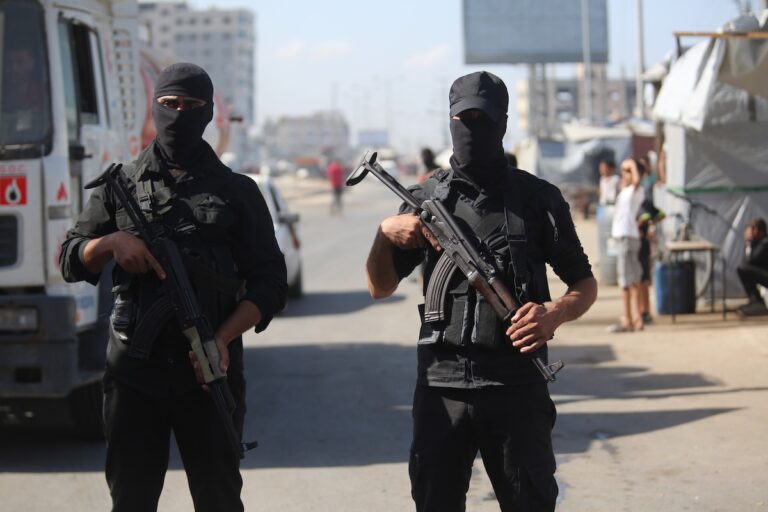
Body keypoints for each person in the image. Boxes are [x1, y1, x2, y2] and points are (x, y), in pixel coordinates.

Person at [59, 63, 287, 512]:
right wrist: (111, 243)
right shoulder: (120, 185)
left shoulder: (237, 191)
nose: (179, 113)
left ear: (208, 112)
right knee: (131, 499)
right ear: (154, 105)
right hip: (133, 374)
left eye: (191, 105)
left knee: (219, 498)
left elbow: (270, 282)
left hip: (209, 372)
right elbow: (70, 258)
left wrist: (222, 339)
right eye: (169, 104)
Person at [365, 71, 597, 511]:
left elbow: (584, 283)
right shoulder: (424, 198)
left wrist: (554, 314)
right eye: (464, 118)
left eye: (483, 119)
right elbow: (380, 287)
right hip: (441, 386)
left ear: (503, 123)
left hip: (516, 385)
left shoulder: (538, 198)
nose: (472, 128)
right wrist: (384, 234)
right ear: (450, 120)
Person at [609, 159, 646, 332]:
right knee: (633, 279)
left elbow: (637, 181)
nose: (624, 174)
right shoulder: (625, 191)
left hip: (626, 237)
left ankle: (629, 318)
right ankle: (636, 318)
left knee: (626, 281)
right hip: (626, 236)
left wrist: (631, 164)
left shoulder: (634, 190)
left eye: (627, 172)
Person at [736, 217, 768, 316]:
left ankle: (758, 302)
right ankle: (755, 300)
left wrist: (750, 242)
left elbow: (751, 260)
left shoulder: (765, 243)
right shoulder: (756, 244)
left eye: (753, 229)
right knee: (742, 269)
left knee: (743, 269)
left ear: (759, 231)